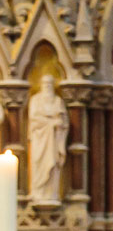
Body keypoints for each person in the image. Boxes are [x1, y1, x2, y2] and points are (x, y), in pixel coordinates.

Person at [28, 74, 68, 203]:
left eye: (50, 84)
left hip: (53, 139)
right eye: (45, 84)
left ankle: (52, 193)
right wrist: (50, 123)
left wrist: (58, 124)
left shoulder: (58, 101)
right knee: (38, 164)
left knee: (53, 165)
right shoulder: (35, 100)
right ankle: (38, 192)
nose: (47, 86)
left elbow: (63, 121)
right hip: (39, 139)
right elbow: (33, 119)